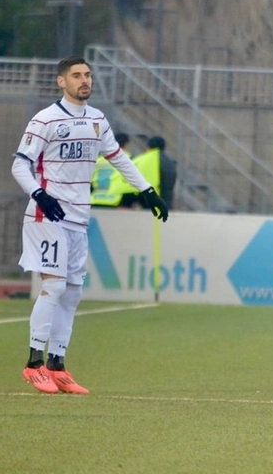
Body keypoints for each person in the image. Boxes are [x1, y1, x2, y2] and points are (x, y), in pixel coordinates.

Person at [13, 56, 169, 395]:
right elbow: (20, 165)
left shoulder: (97, 120)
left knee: (73, 292)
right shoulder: (45, 120)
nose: (85, 80)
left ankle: (57, 365)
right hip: (47, 215)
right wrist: (40, 194)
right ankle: (33, 363)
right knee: (53, 288)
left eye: (87, 75)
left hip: (79, 218)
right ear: (61, 81)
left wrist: (147, 191)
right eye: (77, 75)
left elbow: (119, 158)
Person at [90, 132, 136, 208]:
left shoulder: (98, 160)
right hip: (118, 202)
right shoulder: (130, 159)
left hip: (95, 200)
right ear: (126, 144)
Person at [143, 136, 178, 210]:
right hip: (167, 204)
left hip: (150, 205)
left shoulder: (147, 161)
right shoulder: (170, 162)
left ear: (149, 147)